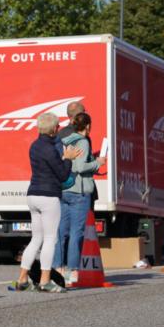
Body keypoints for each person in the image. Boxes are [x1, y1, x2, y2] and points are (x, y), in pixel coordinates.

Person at [11, 112, 83, 293]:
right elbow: (63, 175)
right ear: (54, 129)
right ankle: (45, 281)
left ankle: (22, 279)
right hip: (48, 196)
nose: (59, 129)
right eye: (58, 127)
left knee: (36, 239)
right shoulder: (51, 149)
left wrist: (64, 157)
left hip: (33, 195)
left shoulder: (34, 146)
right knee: (51, 239)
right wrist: (68, 158)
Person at [51, 113, 107, 282]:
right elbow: (81, 167)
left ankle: (57, 268)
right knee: (77, 232)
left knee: (61, 232)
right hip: (79, 192)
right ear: (88, 126)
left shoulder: (64, 140)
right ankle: (73, 270)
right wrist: (98, 162)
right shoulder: (83, 141)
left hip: (64, 190)